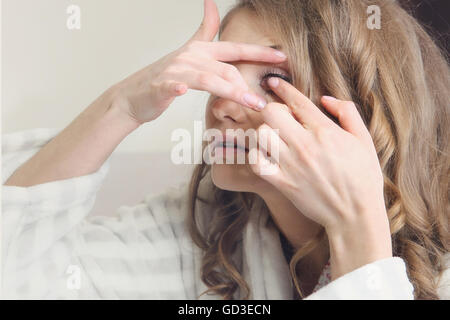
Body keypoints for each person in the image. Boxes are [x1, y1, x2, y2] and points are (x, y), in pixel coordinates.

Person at [2, 0, 449, 300]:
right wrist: (120, 106)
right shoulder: (206, 228)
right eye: (221, 73)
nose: (223, 106)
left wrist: (357, 229)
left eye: (277, 80)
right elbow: (16, 278)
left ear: (365, 110)